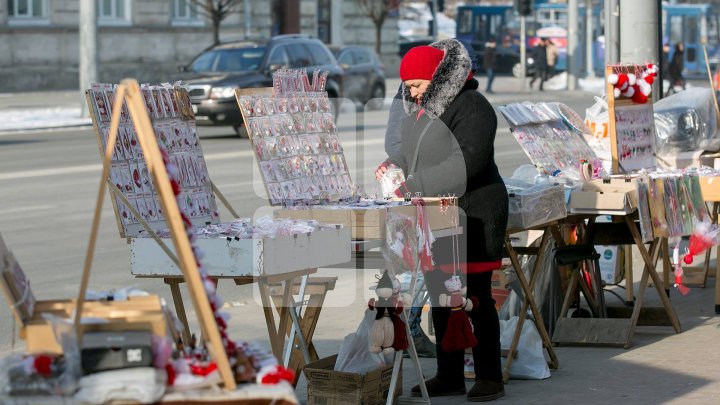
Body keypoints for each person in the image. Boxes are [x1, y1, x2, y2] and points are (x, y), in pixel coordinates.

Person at [376, 39, 508, 402]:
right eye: (409, 88)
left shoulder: (474, 107)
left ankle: (489, 376)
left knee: (475, 296)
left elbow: (468, 162)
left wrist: (415, 183)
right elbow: (412, 154)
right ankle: (449, 375)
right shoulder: (424, 110)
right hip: (437, 212)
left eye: (417, 86)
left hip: (475, 211)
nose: (413, 94)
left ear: (434, 79)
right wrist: (396, 170)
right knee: (440, 293)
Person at [382, 40, 479, 358]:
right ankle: (408, 326)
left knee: (440, 274)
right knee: (424, 265)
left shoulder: (456, 96)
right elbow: (398, 139)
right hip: (426, 193)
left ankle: (419, 330)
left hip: (442, 195)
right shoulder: (416, 85)